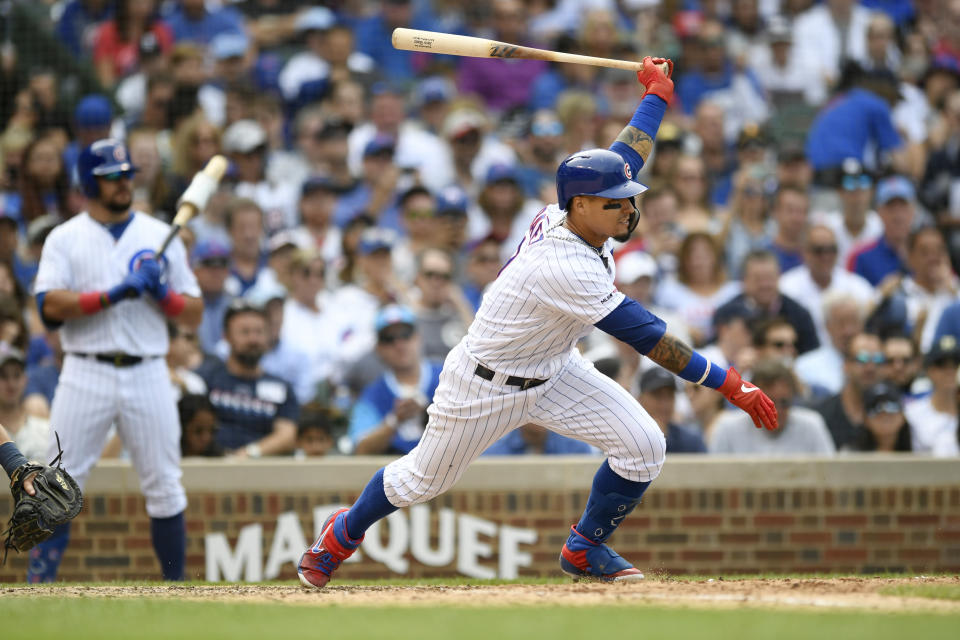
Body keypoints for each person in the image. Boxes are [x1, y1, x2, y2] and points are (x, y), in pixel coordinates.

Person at [297, 58, 778, 588]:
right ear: (582, 204)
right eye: (614, 203)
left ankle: (584, 547)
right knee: (419, 481)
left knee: (644, 446)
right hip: (484, 385)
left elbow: (625, 154)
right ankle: (342, 533)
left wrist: (657, 96)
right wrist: (730, 382)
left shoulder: (571, 213)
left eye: (627, 199)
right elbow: (650, 339)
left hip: (552, 367)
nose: (627, 209)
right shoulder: (564, 264)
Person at [30, 139, 203, 582]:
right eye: (111, 177)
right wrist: (112, 294)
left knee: (165, 486)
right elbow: (49, 307)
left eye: (126, 175)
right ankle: (39, 587)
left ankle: (175, 591)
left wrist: (162, 294)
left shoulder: (155, 233)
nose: (123, 183)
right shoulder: (65, 237)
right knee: (57, 485)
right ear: (88, 183)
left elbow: (194, 312)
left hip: (148, 370)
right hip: (85, 369)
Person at [197, 299, 299, 457]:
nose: (253, 339)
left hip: (262, 470)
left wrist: (248, 454)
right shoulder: (206, 379)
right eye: (245, 332)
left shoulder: (282, 388)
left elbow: (287, 436)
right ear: (227, 337)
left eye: (259, 332)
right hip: (211, 465)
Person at [347, 305, 442, 456]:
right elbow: (361, 449)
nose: (399, 345)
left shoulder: (447, 376)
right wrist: (394, 420)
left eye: (405, 335)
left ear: (418, 338)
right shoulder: (372, 395)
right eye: (388, 339)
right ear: (378, 348)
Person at [709, 359, 835, 456]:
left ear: (793, 398)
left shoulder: (812, 425)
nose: (776, 410)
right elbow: (713, 482)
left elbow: (830, 478)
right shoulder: (728, 427)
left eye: (784, 402)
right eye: (768, 403)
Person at [814, 332, 885, 449]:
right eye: (862, 359)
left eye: (878, 360)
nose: (870, 367)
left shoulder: (890, 410)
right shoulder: (822, 415)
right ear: (845, 365)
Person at [904, 335, 960, 456]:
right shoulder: (912, 414)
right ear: (928, 370)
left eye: (956, 364)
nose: (950, 371)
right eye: (941, 365)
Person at [637, 368, 707, 454]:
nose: (665, 404)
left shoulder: (691, 441)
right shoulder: (626, 439)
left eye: (670, 395)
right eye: (657, 395)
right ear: (640, 399)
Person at [844, 381, 913, 452]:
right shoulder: (850, 454)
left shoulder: (919, 448)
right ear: (865, 419)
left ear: (903, 415)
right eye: (875, 407)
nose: (884, 412)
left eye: (891, 406)